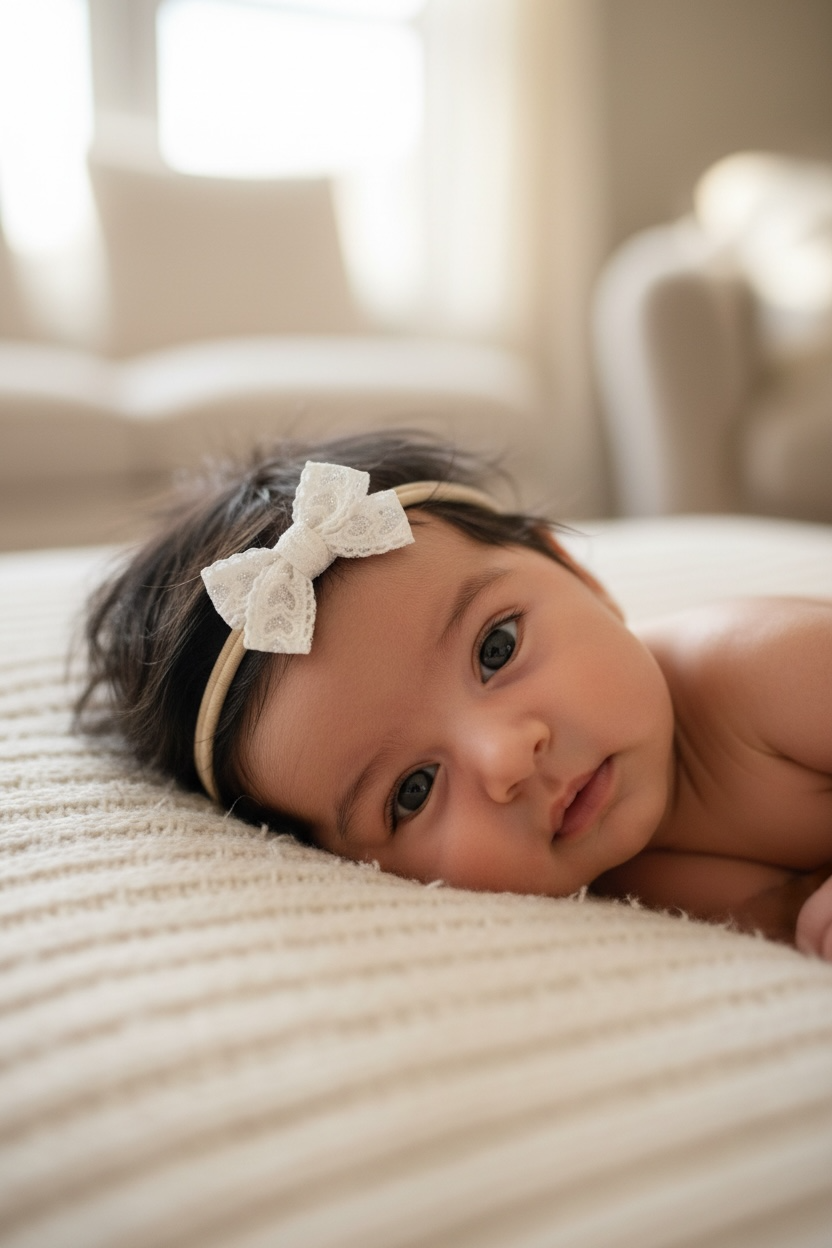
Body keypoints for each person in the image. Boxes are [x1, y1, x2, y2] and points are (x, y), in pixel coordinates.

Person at [77, 432, 832, 960]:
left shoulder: (767, 668)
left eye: (496, 649)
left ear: (574, 569)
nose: (506, 758)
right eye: (413, 790)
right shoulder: (589, 880)